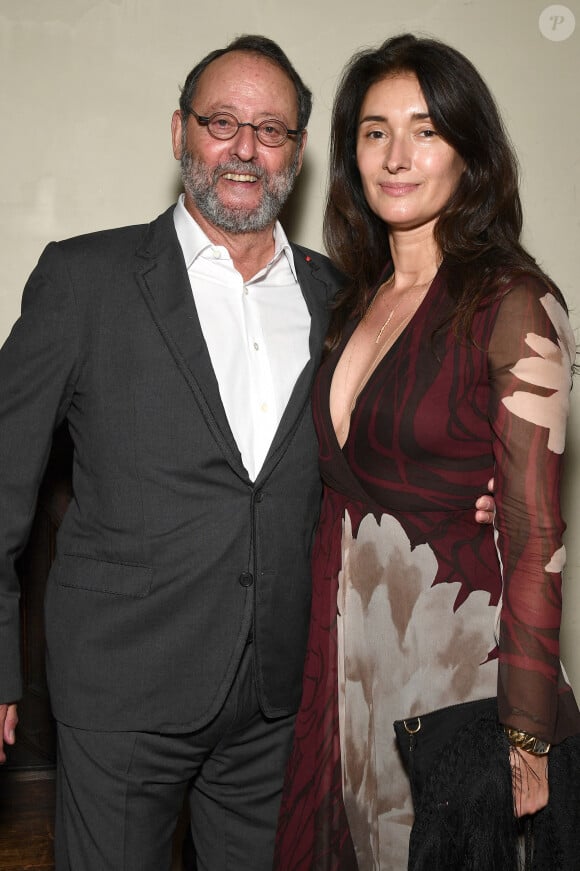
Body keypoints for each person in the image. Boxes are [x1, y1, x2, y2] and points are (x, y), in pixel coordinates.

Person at [0, 33, 494, 871]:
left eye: (271, 131)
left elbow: (374, 457)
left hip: (280, 699)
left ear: (297, 153)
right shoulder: (83, 279)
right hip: (123, 689)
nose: (244, 148)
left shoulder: (340, 297)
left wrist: (466, 490)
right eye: (221, 122)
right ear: (178, 132)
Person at [274, 33, 580, 870]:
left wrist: (526, 730)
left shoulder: (514, 301)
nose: (397, 156)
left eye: (426, 130)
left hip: (459, 669)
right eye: (375, 132)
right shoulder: (355, 300)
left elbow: (534, 531)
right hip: (352, 665)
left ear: (470, 153)